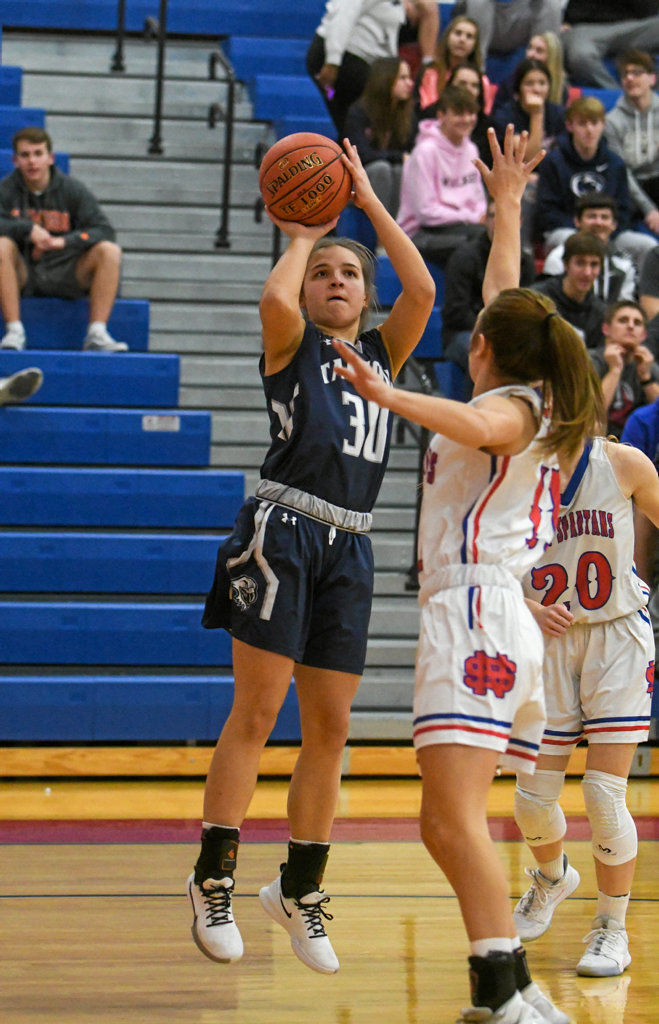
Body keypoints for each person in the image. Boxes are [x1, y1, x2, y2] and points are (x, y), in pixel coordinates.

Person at [333, 124, 603, 1024]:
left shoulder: (508, 408)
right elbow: (502, 293)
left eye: (476, 332)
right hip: (502, 614)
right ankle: (501, 984)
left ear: (483, 348)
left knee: (449, 818)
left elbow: (475, 427)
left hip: (481, 612)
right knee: (445, 817)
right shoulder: (537, 386)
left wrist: (385, 392)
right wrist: (509, 203)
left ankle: (513, 992)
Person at [186, 139, 435, 975]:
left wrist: (365, 202)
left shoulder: (384, 359)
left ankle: (300, 887)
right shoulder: (291, 341)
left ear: (366, 296)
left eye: (348, 274)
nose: (335, 280)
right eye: (323, 271)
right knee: (256, 716)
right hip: (281, 533)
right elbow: (271, 296)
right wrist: (300, 232)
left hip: (351, 548)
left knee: (331, 730)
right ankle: (212, 875)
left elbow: (425, 287)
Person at [513, 432, 659, 977]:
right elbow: (481, 556)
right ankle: (552, 877)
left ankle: (611, 929)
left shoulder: (623, 463)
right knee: (530, 802)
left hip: (618, 638)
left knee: (602, 793)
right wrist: (526, 606)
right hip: (549, 640)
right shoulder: (514, 467)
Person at [0, 127, 126, 353]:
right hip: (23, 271)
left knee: (110, 251)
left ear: (50, 158)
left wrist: (66, 242)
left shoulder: (72, 189)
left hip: (66, 270)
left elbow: (104, 229)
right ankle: (14, 330)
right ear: (15, 160)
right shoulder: (5, 190)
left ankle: (97, 333)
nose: (32, 162)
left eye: (38, 154)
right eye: (25, 155)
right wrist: (27, 229)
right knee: (1, 246)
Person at [534, 96, 656, 273]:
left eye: (594, 123)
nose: (589, 130)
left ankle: (642, 297)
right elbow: (546, 212)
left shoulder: (616, 163)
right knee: (569, 240)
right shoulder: (553, 162)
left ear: (603, 125)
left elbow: (623, 210)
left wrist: (606, 230)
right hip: (565, 231)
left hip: (608, 233)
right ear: (570, 126)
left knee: (648, 246)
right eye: (582, 123)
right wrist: (583, 229)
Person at [442, 195, 535, 376]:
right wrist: (493, 332)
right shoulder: (464, 257)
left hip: (507, 333)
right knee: (489, 354)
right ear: (485, 220)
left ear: (520, 222)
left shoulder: (525, 261)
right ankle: (478, 404)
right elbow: (456, 313)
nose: (500, 223)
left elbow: (527, 309)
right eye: (494, 216)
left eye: (507, 217)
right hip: (463, 333)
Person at [397, 85, 487, 269]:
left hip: (464, 226)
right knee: (475, 244)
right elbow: (426, 212)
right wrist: (469, 216)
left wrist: (477, 215)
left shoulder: (471, 149)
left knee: (496, 238)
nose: (467, 119)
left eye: (471, 113)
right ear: (441, 115)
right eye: (459, 114)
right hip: (420, 233)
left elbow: (478, 199)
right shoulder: (425, 152)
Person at [306, 0, 407, 139]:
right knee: (353, 120)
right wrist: (333, 61)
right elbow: (343, 17)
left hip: (358, 61)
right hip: (342, 59)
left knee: (348, 122)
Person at [343, 56, 416, 219]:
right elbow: (361, 155)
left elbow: (411, 152)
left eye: (410, 78)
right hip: (357, 179)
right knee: (381, 168)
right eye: (403, 78)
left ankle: (397, 232)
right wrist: (398, 156)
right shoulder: (359, 111)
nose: (410, 83)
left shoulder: (407, 113)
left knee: (400, 170)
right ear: (385, 79)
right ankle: (381, 237)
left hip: (390, 174)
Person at [542, 195, 637, 304]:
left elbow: (624, 306)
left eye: (604, 217)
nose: (598, 222)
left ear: (614, 225)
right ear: (577, 221)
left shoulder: (625, 263)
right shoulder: (558, 257)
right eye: (592, 216)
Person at [605, 50, 659, 238]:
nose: (629, 78)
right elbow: (622, 171)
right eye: (625, 74)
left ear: (652, 78)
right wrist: (650, 210)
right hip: (630, 186)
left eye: (637, 73)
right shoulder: (612, 121)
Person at [589, 301, 659, 439]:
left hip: (636, 448)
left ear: (644, 335)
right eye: (623, 320)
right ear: (606, 329)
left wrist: (646, 378)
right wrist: (614, 370)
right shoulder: (590, 361)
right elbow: (590, 414)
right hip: (594, 443)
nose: (631, 326)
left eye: (637, 323)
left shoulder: (649, 366)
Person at [532, 231, 607, 349]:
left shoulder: (601, 313)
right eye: (580, 263)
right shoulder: (537, 300)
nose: (587, 272)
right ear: (566, 264)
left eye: (594, 264)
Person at [561, 0, 659, 90]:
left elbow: (649, 10)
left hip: (631, 28)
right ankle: (618, 95)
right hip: (587, 28)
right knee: (580, 55)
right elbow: (574, 12)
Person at [491, 58, 565, 161]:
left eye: (542, 83)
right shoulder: (505, 115)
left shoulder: (559, 113)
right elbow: (528, 158)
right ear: (519, 87)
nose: (537, 89)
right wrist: (537, 113)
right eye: (529, 83)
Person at [416, 15, 487, 114]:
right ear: (447, 36)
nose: (462, 40)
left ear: (475, 45)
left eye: (469, 36)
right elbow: (426, 109)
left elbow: (484, 114)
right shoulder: (430, 73)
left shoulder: (481, 80)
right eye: (458, 33)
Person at [491, 33, 568, 117]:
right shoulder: (510, 82)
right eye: (529, 48)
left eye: (539, 51)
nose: (530, 54)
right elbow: (496, 116)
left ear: (552, 58)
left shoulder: (561, 89)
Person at [463, 0, 562, 64]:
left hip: (523, 17)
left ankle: (540, 75)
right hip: (486, 16)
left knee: (551, 3)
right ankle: (472, 72)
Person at [446, 62, 497, 167]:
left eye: (474, 86)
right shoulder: (431, 114)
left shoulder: (488, 126)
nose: (468, 89)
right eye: (462, 84)